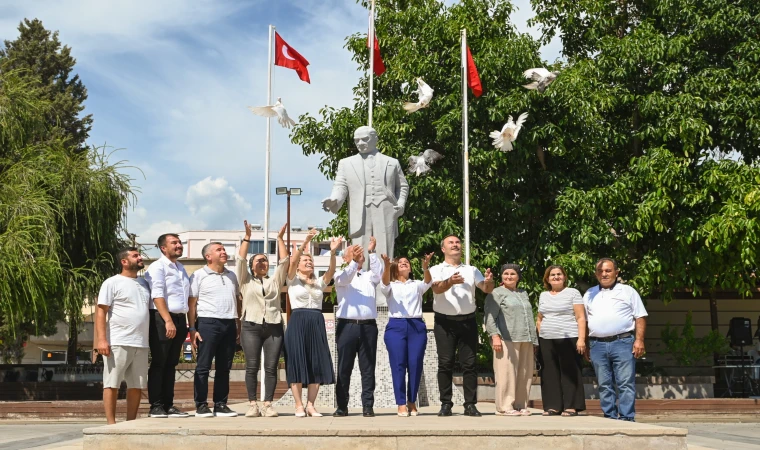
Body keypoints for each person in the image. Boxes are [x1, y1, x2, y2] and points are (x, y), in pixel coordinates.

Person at [322, 126, 409, 265]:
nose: (360, 143)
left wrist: (401, 203)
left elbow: (403, 186)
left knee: (384, 252)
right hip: (360, 211)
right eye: (357, 140)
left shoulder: (392, 162)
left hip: (385, 208)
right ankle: (360, 284)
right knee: (359, 253)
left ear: (375, 138)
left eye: (365, 139)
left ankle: (384, 285)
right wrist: (335, 199)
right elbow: (341, 185)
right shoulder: (346, 163)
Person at [429, 235, 494, 417]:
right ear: (443, 248)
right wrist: (449, 282)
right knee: (445, 363)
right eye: (451, 243)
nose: (455, 245)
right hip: (444, 323)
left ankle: (470, 405)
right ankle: (446, 404)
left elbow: (486, 288)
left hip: (467, 322)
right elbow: (436, 289)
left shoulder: (471, 270)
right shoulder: (436, 269)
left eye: (457, 242)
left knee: (470, 364)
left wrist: (489, 282)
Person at [284, 229, 341, 417]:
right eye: (305, 261)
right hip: (298, 321)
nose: (309, 262)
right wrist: (305, 242)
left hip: (316, 321)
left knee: (316, 362)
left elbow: (331, 270)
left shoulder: (319, 283)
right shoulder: (292, 279)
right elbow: (291, 262)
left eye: (311, 261)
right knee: (298, 361)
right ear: (299, 265)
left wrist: (333, 252)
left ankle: (310, 405)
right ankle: (298, 405)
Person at [584, 258, 648, 422]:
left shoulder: (628, 291)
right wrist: (584, 343)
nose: (604, 274)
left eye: (608, 270)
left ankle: (626, 417)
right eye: (600, 271)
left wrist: (639, 340)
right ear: (596, 274)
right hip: (597, 344)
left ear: (616, 272)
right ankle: (610, 417)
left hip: (623, 342)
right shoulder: (589, 293)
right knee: (604, 384)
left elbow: (640, 316)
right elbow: (583, 320)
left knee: (625, 383)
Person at [237, 220, 289, 418]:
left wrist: (280, 239)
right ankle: (253, 404)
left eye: (265, 260)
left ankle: (267, 403)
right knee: (252, 366)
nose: (262, 263)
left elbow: (284, 263)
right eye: (257, 261)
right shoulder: (245, 281)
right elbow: (240, 260)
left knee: (271, 366)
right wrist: (247, 238)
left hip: (274, 325)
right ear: (251, 266)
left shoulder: (274, 281)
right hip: (251, 325)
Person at [96, 247, 151, 425]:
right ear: (124, 261)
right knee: (112, 383)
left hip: (141, 342)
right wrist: (102, 340)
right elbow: (100, 312)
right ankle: (111, 424)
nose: (140, 258)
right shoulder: (111, 282)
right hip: (118, 341)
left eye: (139, 255)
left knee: (136, 385)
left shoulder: (144, 283)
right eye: (135, 256)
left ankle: (130, 423)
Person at [188, 242, 241, 418]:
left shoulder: (232, 275)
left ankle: (220, 404)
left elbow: (237, 300)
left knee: (224, 368)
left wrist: (237, 324)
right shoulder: (198, 275)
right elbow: (192, 303)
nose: (224, 252)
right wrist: (193, 328)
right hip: (208, 323)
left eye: (224, 249)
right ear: (208, 256)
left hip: (229, 323)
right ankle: (201, 405)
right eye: (219, 250)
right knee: (203, 366)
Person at [333, 236, 383, 417]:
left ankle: (368, 406)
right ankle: (342, 406)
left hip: (369, 326)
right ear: (346, 258)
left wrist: (372, 252)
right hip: (347, 326)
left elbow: (379, 274)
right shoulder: (340, 275)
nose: (358, 255)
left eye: (359, 253)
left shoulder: (369, 275)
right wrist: (353, 261)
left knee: (368, 368)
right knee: (344, 368)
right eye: (354, 253)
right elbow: (346, 278)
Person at [380, 252, 434, 417]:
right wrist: (387, 266)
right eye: (401, 262)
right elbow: (384, 283)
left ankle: (412, 401)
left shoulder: (416, 284)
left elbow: (428, 281)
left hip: (416, 326)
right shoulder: (391, 286)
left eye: (407, 262)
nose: (404, 263)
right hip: (396, 326)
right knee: (398, 365)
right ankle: (401, 403)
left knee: (415, 364)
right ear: (396, 268)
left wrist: (426, 267)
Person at [144, 233, 191, 418]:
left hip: (180, 319)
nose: (179, 245)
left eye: (179, 242)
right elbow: (157, 295)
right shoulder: (158, 267)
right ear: (163, 248)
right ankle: (156, 406)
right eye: (174, 243)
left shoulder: (181, 268)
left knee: (171, 364)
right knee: (159, 363)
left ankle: (168, 405)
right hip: (163, 318)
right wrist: (168, 321)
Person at [485, 264, 538, 416]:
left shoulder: (523, 293)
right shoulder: (496, 293)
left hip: (525, 339)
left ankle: (521, 405)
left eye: (512, 274)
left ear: (518, 277)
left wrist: (533, 340)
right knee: (506, 374)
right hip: (506, 340)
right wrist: (494, 336)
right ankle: (505, 407)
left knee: (524, 374)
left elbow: (529, 317)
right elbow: (489, 317)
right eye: (505, 273)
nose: (508, 276)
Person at [536, 265, 587, 416]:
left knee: (569, 372)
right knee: (549, 373)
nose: (556, 277)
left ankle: (571, 406)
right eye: (552, 275)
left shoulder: (573, 293)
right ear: (547, 278)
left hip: (569, 337)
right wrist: (541, 334)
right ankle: (553, 406)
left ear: (564, 277)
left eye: (559, 274)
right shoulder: (543, 295)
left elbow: (580, 317)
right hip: (546, 339)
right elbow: (539, 318)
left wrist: (581, 339)